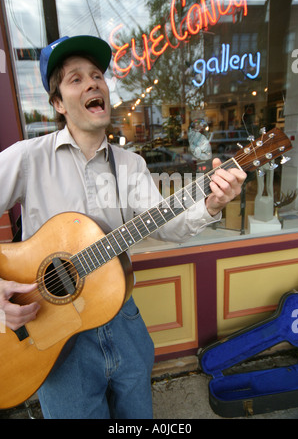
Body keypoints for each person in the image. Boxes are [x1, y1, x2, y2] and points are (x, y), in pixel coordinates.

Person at [0, 35, 246, 419]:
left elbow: (168, 226)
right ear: (58, 104)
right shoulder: (26, 159)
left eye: (97, 75)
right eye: (76, 79)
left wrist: (212, 203)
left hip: (123, 320)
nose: (93, 83)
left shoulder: (130, 164)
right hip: (52, 333)